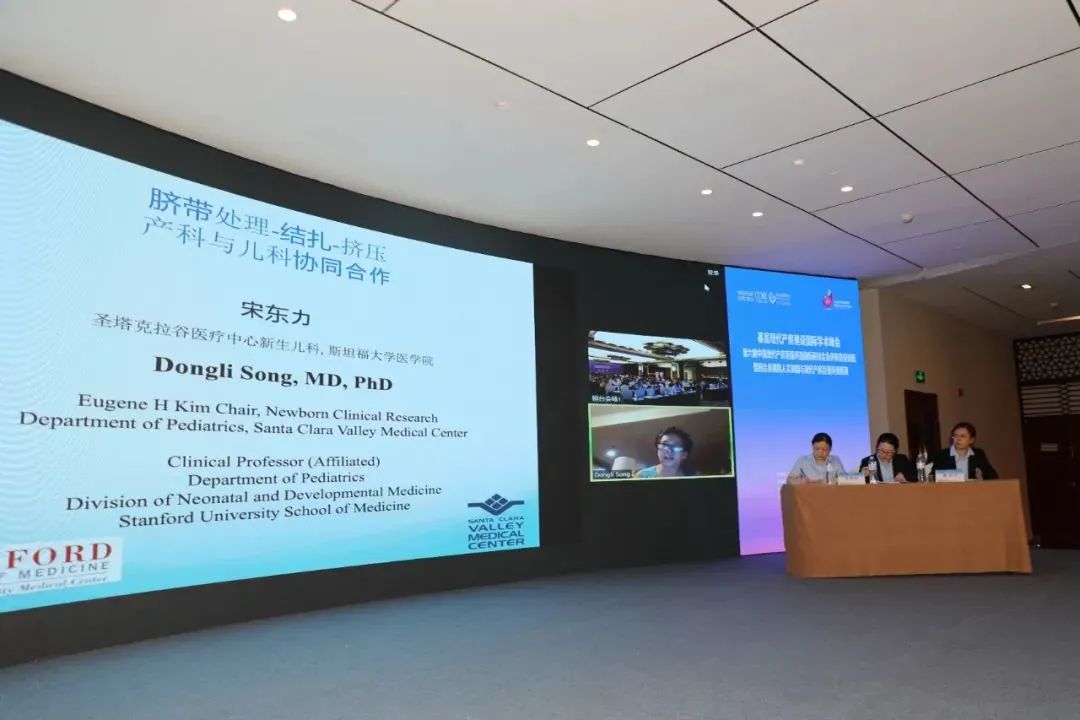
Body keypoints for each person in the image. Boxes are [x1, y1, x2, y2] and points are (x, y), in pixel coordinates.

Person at [931, 422, 998, 480]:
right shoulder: (942, 455)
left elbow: (993, 476)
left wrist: (982, 477)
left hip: (973, 490)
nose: (958, 439)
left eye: (963, 436)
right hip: (949, 490)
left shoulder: (978, 454)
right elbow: (933, 477)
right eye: (955, 436)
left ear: (971, 440)